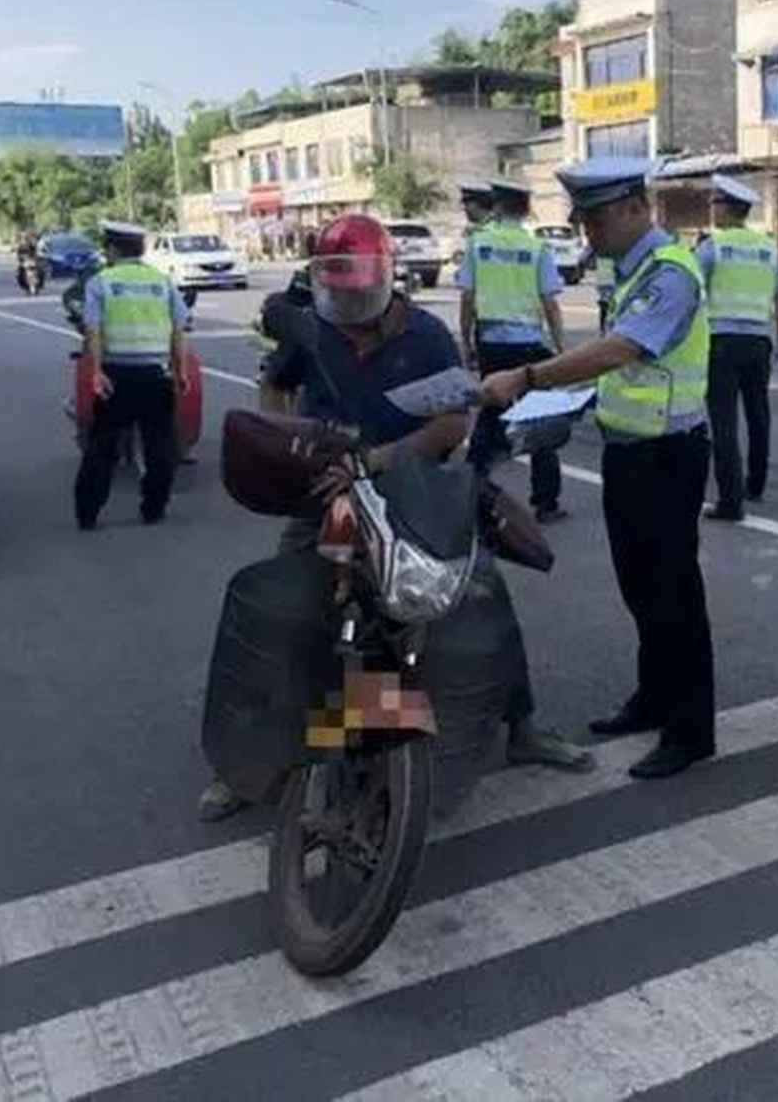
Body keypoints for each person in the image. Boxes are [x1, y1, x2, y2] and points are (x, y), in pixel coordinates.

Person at [198, 213, 590, 821]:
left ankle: (523, 726)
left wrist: (374, 460)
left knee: (481, 598)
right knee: (280, 613)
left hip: (412, 488)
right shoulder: (313, 330)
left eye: (358, 287)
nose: (349, 298)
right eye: (338, 286)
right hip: (327, 491)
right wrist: (285, 442)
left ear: (383, 279)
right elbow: (275, 389)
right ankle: (247, 762)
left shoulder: (429, 337)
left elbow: (452, 424)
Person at [481, 159, 716, 780]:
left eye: (596, 218)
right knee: (641, 587)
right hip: (631, 451)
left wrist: (531, 376)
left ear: (636, 207)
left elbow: (622, 349)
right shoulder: (634, 269)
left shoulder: (671, 274)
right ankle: (653, 697)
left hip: (669, 454)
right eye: (582, 219)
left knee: (674, 593)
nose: (588, 232)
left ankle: (690, 731)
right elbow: (625, 371)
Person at [459, 177, 567, 522]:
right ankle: (546, 502)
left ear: (498, 205)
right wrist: (562, 348)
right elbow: (550, 304)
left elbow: (468, 297)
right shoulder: (537, 248)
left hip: (491, 343)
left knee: (489, 418)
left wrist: (466, 339)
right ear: (525, 208)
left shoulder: (478, 244)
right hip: (531, 345)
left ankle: (470, 491)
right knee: (539, 418)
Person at [73, 221, 188, 530]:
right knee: (160, 446)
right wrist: (182, 371)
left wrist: (96, 372)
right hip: (156, 375)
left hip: (116, 376)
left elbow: (93, 332)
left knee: (102, 447)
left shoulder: (100, 282)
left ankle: (88, 513)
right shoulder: (163, 282)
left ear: (112, 249)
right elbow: (178, 331)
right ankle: (153, 508)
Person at [697, 175, 778, 522]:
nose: (711, 209)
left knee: (723, 422)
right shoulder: (769, 247)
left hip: (721, 343)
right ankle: (756, 485)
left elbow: (691, 290)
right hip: (758, 344)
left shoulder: (713, 247)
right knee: (758, 415)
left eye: (714, 203)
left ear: (728, 208)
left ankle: (731, 502)